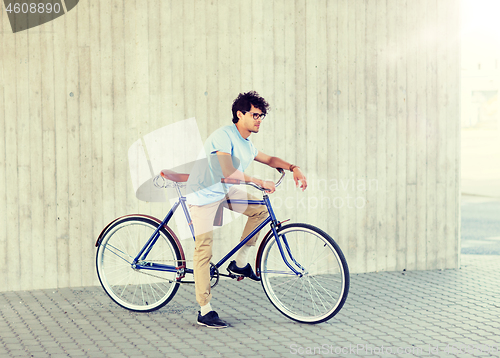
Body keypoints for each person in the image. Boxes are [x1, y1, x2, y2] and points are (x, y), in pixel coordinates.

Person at [186, 91, 307, 328]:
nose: (259, 119)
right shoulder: (223, 136)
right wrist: (259, 182)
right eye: (254, 114)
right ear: (239, 114)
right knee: (204, 250)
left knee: (260, 211)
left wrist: (294, 167)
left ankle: (239, 263)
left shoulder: (246, 143)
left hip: (223, 191)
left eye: (261, 115)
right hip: (203, 195)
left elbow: (270, 159)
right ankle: (204, 309)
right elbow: (227, 171)